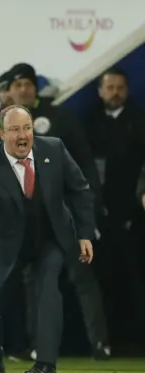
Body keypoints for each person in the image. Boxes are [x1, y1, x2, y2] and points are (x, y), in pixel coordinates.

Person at [0, 105, 95, 373]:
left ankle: (45, 364)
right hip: (4, 242)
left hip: (48, 238)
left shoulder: (54, 150)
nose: (23, 134)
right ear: (2, 134)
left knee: (48, 292)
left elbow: (80, 190)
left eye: (27, 128)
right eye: (14, 130)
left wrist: (84, 233)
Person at [86, 67, 145, 353]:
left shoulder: (140, 121)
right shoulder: (87, 123)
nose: (115, 93)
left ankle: (135, 342)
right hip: (98, 217)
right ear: (100, 91)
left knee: (135, 280)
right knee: (102, 282)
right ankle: (106, 342)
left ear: (128, 90)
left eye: (120, 87)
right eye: (109, 87)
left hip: (134, 216)